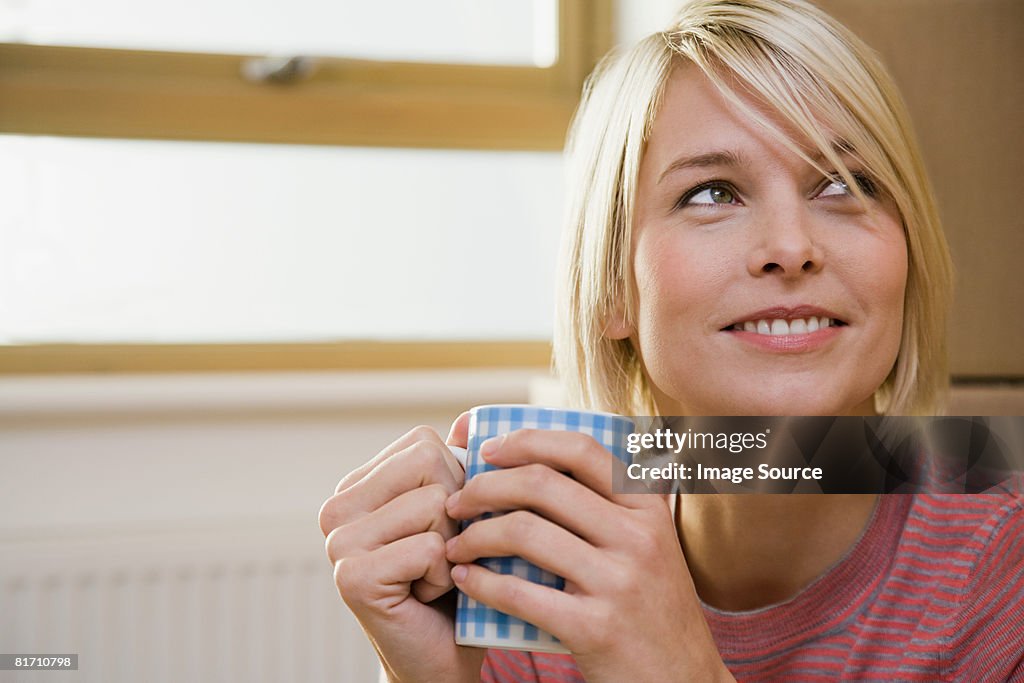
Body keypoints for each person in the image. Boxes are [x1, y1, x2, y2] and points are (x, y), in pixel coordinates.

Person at [318, 0, 1024, 680]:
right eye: (713, 192)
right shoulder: (535, 561)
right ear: (612, 289)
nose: (791, 246)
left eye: (843, 183)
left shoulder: (1006, 566)